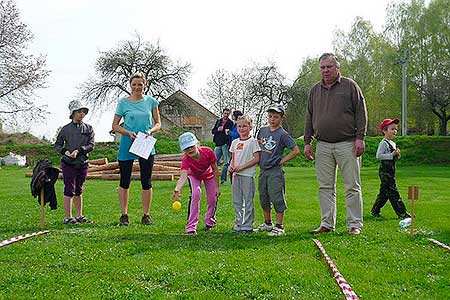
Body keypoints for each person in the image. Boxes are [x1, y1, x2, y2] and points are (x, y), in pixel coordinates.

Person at [304, 53, 368, 235]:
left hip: (348, 143)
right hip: (322, 145)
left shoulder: (350, 86)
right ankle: (326, 223)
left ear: (337, 68)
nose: (325, 70)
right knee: (325, 187)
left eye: (329, 67)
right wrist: (307, 142)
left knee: (352, 186)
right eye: (322, 67)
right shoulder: (315, 90)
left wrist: (360, 138)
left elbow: (361, 113)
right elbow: (309, 117)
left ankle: (354, 224)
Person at [112, 72, 161, 226]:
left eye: (140, 84)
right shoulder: (123, 103)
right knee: (125, 180)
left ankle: (146, 215)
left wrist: (150, 131)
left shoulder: (151, 102)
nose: (137, 87)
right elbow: (114, 126)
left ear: (144, 85)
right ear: (130, 86)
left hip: (145, 143)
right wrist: (127, 133)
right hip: (128, 143)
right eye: (134, 84)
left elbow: (158, 123)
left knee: (146, 180)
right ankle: (124, 215)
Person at [254, 104, 300, 236]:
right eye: (270, 116)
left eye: (275, 117)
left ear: (282, 118)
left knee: (277, 197)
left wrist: (281, 161)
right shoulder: (262, 130)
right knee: (263, 197)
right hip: (263, 170)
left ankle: (279, 227)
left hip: (275, 171)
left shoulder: (283, 134)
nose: (272, 119)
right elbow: (258, 145)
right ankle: (268, 223)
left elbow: (296, 150)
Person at [55, 100, 95, 224]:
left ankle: (79, 216)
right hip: (68, 163)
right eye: (79, 111)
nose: (82, 114)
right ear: (73, 113)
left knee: (79, 189)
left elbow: (91, 145)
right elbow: (57, 144)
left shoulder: (89, 128)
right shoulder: (65, 129)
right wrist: (65, 151)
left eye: (83, 112)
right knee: (69, 189)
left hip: (83, 163)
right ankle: (68, 217)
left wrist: (79, 150)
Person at [172, 132, 221, 234]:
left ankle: (210, 221)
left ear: (197, 144)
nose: (189, 149)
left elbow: (215, 169)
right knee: (196, 194)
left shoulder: (208, 152)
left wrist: (217, 187)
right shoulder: (186, 160)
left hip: (209, 175)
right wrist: (177, 189)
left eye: (191, 146)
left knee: (212, 198)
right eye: (186, 148)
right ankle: (191, 226)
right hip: (194, 176)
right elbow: (183, 176)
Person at [371, 118, 411, 219]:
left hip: (391, 170)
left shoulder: (393, 143)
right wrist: (391, 154)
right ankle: (402, 213)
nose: (395, 131)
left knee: (384, 193)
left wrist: (396, 154)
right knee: (393, 191)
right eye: (392, 129)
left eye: (396, 129)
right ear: (384, 131)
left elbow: (393, 156)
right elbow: (378, 156)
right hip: (385, 172)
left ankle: (375, 211)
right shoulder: (383, 143)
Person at [229, 115, 260, 233]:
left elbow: (256, 159)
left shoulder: (253, 142)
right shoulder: (235, 142)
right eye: (239, 126)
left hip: (247, 175)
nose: (241, 128)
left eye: (244, 126)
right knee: (237, 200)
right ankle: (239, 223)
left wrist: (242, 167)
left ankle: (247, 225)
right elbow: (233, 158)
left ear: (250, 127)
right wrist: (231, 167)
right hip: (236, 176)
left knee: (248, 200)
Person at [211, 108, 234, 184]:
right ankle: (212, 178)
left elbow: (231, 134)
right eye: (225, 113)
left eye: (227, 114)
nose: (226, 115)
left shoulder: (230, 123)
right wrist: (218, 129)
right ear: (223, 113)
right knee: (214, 162)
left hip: (225, 144)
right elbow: (213, 131)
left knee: (226, 163)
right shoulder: (218, 121)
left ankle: (223, 180)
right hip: (218, 144)